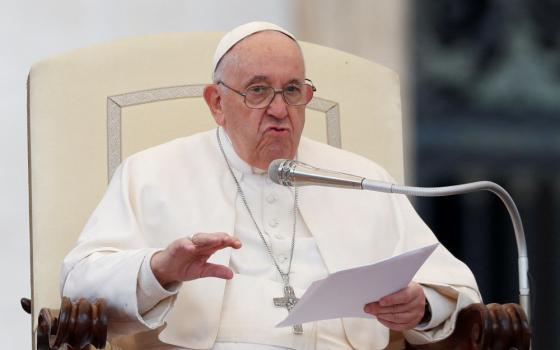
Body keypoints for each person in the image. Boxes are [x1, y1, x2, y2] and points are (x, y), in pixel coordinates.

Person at [61, 22, 481, 350]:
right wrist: (159, 271)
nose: (280, 110)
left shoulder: (360, 178)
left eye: (293, 91)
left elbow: (456, 289)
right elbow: (79, 281)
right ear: (216, 103)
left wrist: (422, 305)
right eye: (258, 91)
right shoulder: (151, 173)